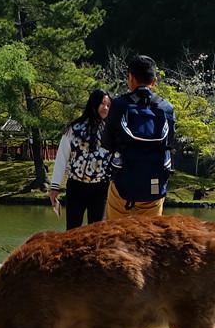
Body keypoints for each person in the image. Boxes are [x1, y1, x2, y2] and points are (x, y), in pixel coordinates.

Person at [104, 54, 176, 220]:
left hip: (123, 181)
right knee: (149, 230)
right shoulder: (166, 108)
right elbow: (170, 143)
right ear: (154, 81)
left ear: (130, 78)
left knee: (115, 230)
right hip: (154, 183)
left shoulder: (119, 105)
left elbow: (107, 142)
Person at [47, 89, 113, 229]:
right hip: (76, 186)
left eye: (108, 105)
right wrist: (55, 186)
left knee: (97, 231)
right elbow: (62, 157)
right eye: (102, 104)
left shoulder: (110, 131)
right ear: (94, 103)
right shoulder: (74, 129)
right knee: (72, 229)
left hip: (100, 188)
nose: (105, 108)